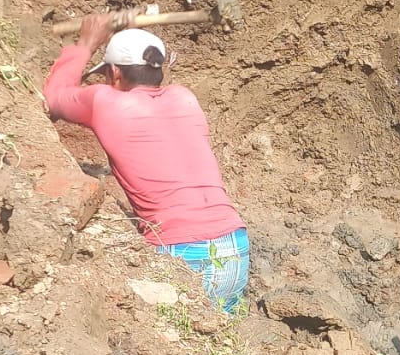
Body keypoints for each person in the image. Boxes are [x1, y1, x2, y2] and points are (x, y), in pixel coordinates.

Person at [44, 15, 251, 312]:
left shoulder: (105, 101)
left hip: (182, 249)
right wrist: (130, 37)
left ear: (115, 73)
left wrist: (87, 43)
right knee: (214, 333)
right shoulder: (184, 98)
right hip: (235, 245)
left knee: (165, 336)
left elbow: (53, 97)